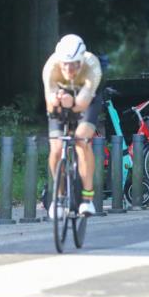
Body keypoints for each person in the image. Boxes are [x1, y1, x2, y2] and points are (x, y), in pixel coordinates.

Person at [43, 34, 102, 217]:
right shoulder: (51, 67)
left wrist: (71, 103)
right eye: (65, 64)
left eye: (74, 64)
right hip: (61, 100)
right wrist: (58, 101)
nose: (68, 68)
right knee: (56, 146)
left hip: (87, 100)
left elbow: (82, 104)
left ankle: (87, 198)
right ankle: (58, 197)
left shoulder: (92, 65)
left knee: (81, 140)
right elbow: (50, 101)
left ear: (81, 61)